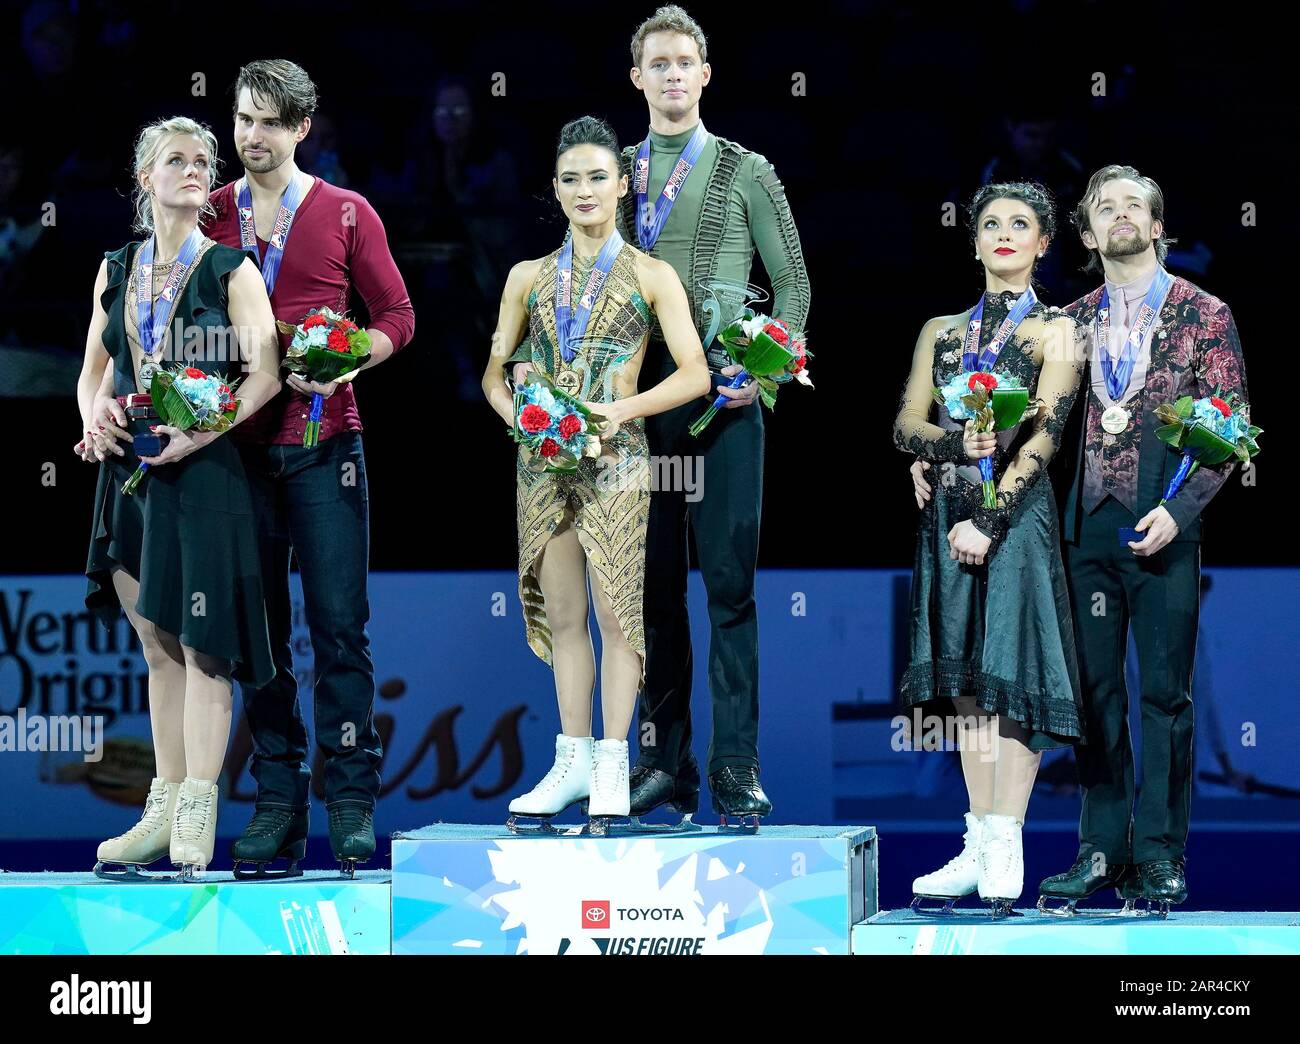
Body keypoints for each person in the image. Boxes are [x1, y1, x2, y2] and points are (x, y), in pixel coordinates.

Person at [520, 5, 811, 828]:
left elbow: (793, 285)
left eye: (687, 61)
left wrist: (770, 370)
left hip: (720, 405)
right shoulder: (615, 172)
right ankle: (661, 760)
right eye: (659, 63)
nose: (674, 74)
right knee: (641, 597)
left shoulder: (747, 169)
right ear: (637, 76)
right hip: (627, 416)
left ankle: (735, 768)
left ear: (706, 74)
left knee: (729, 588)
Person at [203, 59, 417, 876]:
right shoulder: (209, 214)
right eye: (242, 119)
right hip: (233, 454)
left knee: (338, 631)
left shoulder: (347, 213)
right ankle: (277, 803)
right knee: (257, 639)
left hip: (327, 447)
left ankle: (353, 801)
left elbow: (397, 314)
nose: (250, 136)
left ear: (301, 129)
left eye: (268, 122)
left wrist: (351, 357)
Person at [483, 115, 710, 834]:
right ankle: (572, 757)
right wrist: (516, 414)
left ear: (622, 184)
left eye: (598, 177)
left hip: (617, 460)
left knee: (617, 613)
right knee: (564, 615)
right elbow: (493, 375)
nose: (585, 190)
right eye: (571, 179)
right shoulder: (527, 278)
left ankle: (614, 759)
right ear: (556, 188)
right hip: (542, 464)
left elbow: (696, 375)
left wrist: (621, 412)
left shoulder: (652, 275)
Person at [1035, 165, 1248, 915]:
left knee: (1164, 696)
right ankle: (1099, 849)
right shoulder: (1071, 319)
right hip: (1087, 526)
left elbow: (1229, 430)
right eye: (1104, 208)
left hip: (1164, 524)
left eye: (1135, 206)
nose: (1120, 215)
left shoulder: (1204, 313)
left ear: (1158, 227)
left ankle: (1158, 856)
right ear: (1089, 235)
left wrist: (1180, 509)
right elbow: (1038, 424)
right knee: (1094, 698)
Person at [76, 116, 280, 877]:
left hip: (203, 476)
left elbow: (262, 374)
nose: (195, 170)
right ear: (145, 179)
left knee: (203, 650)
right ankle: (159, 814)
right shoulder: (116, 267)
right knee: (156, 648)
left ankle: (199, 812)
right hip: (128, 475)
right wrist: (92, 416)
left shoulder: (233, 268)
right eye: (177, 161)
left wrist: (204, 430)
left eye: (203, 161)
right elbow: (94, 369)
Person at [893, 182, 1084, 914]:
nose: (1004, 233)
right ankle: (977, 840)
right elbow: (907, 421)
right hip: (945, 510)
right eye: (991, 224)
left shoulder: (1057, 329)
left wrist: (992, 518)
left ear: (1043, 243)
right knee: (969, 684)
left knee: (1013, 674)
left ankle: (1009, 839)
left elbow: (1048, 431)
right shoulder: (940, 328)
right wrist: (945, 444)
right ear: (973, 241)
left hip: (1014, 515)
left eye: (1022, 225)